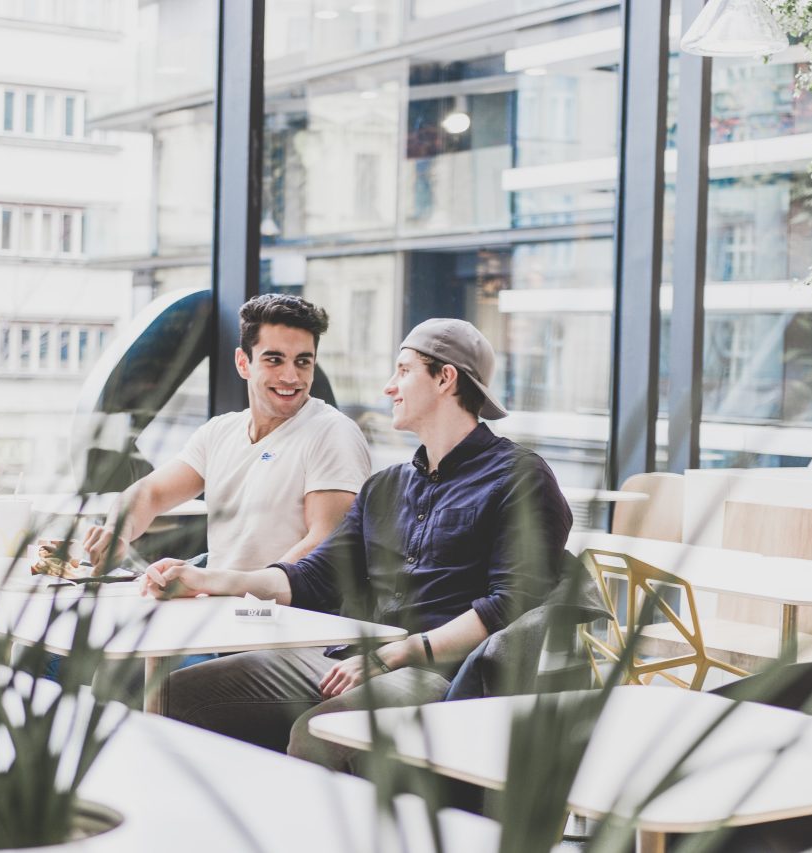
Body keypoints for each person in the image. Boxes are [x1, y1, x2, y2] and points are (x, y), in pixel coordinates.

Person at [141, 318, 573, 770]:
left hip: (438, 673)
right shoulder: (385, 487)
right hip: (349, 658)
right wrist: (204, 578)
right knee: (173, 696)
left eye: (403, 371)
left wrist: (395, 654)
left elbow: (511, 604)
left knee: (320, 733)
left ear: (445, 378)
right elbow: (312, 579)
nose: (389, 387)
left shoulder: (519, 478)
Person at [80, 293, 371, 575]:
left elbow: (325, 545)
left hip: (290, 615)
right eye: (274, 360)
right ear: (243, 363)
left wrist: (215, 582)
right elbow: (150, 493)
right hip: (222, 604)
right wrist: (117, 532)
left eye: (303, 362)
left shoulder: (332, 432)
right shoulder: (220, 432)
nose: (291, 377)